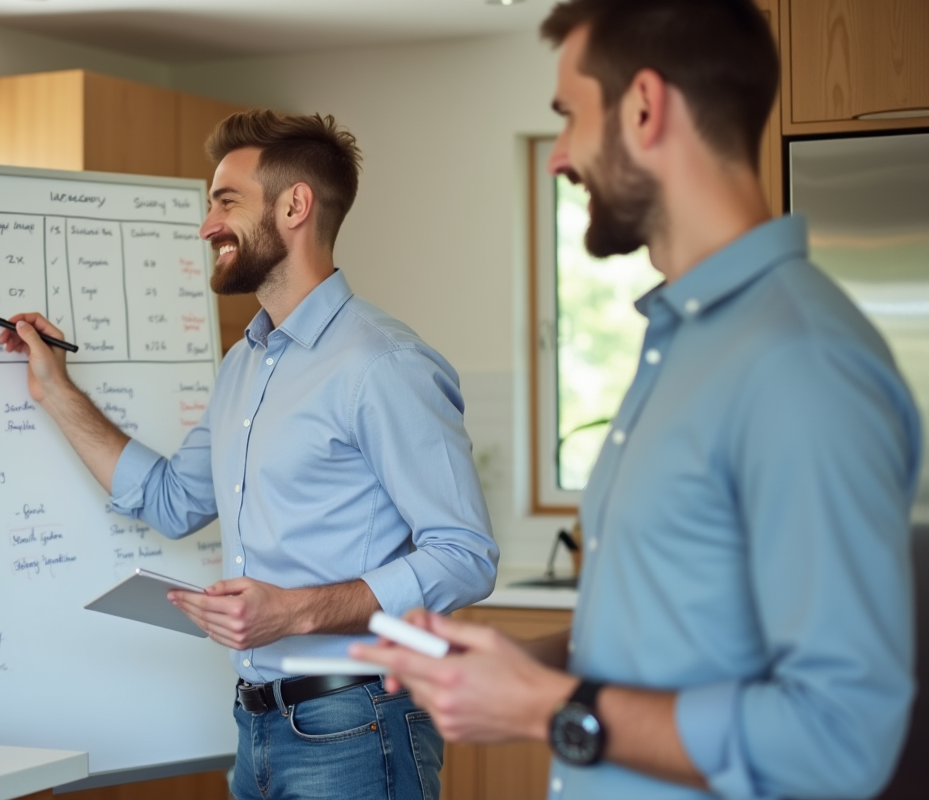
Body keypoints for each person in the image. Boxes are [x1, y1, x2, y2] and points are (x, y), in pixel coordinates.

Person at [354, 2, 922, 799]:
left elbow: (838, 739)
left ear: (646, 107)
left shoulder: (801, 361)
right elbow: (668, 639)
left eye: (568, 118)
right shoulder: (684, 341)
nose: (557, 159)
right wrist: (513, 664)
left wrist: (544, 705)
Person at [0, 109, 499, 800]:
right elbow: (172, 502)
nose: (207, 227)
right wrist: (56, 390)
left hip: (359, 725)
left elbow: (465, 555)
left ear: (295, 205)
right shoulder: (245, 364)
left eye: (226, 201)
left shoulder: (383, 363)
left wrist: (297, 612)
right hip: (257, 725)